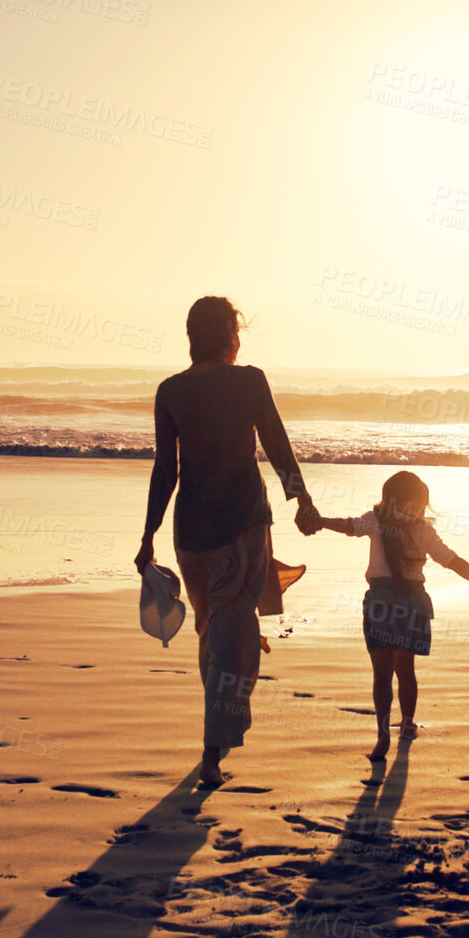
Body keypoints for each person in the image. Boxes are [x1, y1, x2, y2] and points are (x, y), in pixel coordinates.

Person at [135, 296, 320, 787]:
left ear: (192, 337)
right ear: (230, 337)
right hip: (239, 528)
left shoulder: (170, 391)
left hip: (189, 536)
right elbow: (277, 443)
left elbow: (165, 470)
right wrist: (300, 500)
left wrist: (149, 535)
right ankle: (213, 750)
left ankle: (212, 740)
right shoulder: (248, 381)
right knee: (233, 643)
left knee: (210, 631)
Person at [307, 470, 469, 760]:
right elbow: (453, 561)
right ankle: (408, 723)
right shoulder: (421, 530)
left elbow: (349, 526)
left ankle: (383, 733)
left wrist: (320, 521)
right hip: (411, 605)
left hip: (380, 603)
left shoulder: (376, 521)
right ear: (405, 501)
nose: (423, 509)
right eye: (420, 503)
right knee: (405, 669)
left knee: (382, 674)